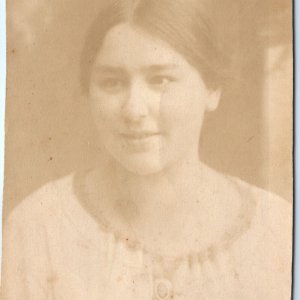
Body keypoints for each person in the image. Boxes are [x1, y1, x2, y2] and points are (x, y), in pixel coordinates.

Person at [1, 0, 292, 299]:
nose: (134, 109)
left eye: (160, 80)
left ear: (212, 88)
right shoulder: (38, 229)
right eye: (112, 83)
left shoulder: (276, 230)